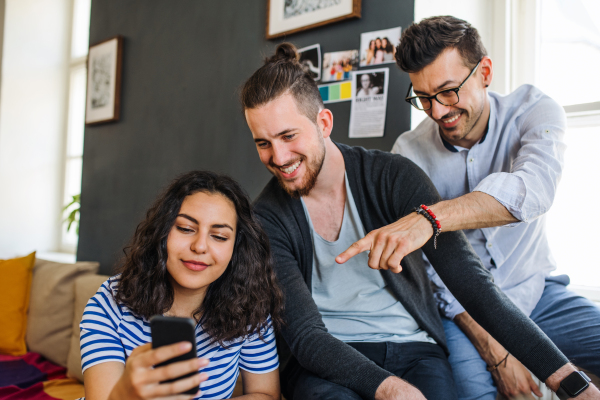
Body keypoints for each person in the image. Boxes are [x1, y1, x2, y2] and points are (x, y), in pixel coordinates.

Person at [240, 42, 599, 400]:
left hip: (414, 349)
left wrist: (569, 381)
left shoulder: (394, 176)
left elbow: (472, 284)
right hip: (330, 359)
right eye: (263, 143)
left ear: (324, 122)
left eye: (288, 136)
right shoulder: (267, 218)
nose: (279, 157)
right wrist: (389, 389)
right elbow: (305, 336)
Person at [391, 16, 600, 400]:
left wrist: (433, 219)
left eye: (448, 91)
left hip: (537, 292)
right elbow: (434, 275)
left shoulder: (534, 111)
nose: (437, 111)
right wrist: (497, 351)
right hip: (463, 311)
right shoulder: (408, 152)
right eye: (423, 98)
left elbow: (532, 191)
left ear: (484, 71)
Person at [79, 171, 284, 400]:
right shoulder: (109, 303)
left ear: (236, 248)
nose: (199, 247)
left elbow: (265, 394)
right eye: (186, 229)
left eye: (219, 236)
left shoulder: (249, 306)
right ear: (162, 232)